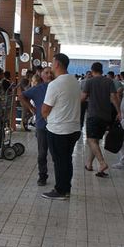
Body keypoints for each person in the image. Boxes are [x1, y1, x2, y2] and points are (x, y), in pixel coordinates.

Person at [41, 53, 81, 200]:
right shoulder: (75, 81)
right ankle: (66, 188)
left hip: (59, 129)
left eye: (52, 63)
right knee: (66, 159)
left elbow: (45, 110)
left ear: (57, 64)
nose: (51, 65)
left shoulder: (55, 84)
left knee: (59, 161)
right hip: (74, 128)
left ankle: (60, 190)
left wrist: (46, 116)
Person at [81, 62, 121, 178]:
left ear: (92, 70)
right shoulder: (109, 81)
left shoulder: (89, 81)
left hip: (93, 115)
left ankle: (102, 163)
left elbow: (83, 97)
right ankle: (89, 164)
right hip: (106, 116)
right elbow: (114, 97)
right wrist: (119, 111)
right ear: (102, 70)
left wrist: (73, 105)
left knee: (91, 140)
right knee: (95, 140)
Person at [19, 67, 54, 186]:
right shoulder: (38, 89)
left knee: (57, 153)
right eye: (46, 73)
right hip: (42, 125)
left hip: (57, 126)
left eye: (51, 73)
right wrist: (31, 108)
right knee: (42, 153)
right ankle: (42, 176)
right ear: (41, 75)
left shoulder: (58, 87)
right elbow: (22, 96)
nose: (49, 75)